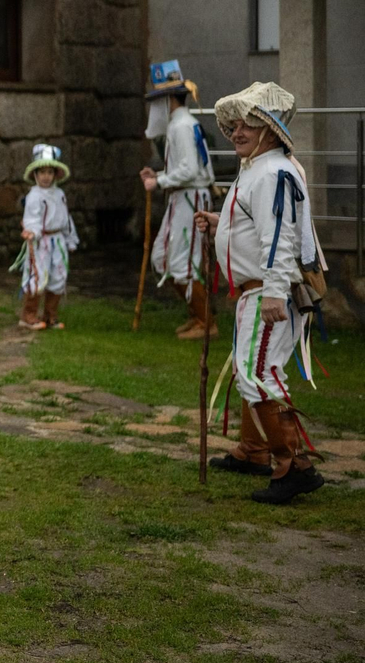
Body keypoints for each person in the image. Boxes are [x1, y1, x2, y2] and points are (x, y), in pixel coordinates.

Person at [194, 82, 326, 504]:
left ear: (270, 127)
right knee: (251, 369)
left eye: (248, 122)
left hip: (268, 294)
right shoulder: (259, 169)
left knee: (259, 373)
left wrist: (272, 292)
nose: (236, 131)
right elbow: (257, 228)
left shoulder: (272, 172)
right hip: (255, 291)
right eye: (233, 124)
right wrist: (220, 224)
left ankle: (294, 465)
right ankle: (255, 451)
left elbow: (279, 238)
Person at [139, 60, 215, 339]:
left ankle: (206, 321)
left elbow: (191, 171)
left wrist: (158, 181)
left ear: (169, 99)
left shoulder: (182, 126)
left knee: (184, 261)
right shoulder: (182, 125)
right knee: (163, 257)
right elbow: (185, 167)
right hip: (182, 198)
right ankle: (197, 316)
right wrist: (160, 175)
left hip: (190, 200)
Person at [15, 144, 79, 330]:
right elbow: (32, 217)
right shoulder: (34, 196)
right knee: (37, 275)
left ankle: (50, 315)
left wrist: (70, 238)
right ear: (35, 174)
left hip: (57, 241)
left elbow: (65, 218)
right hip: (40, 242)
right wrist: (32, 231)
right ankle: (29, 315)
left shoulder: (60, 194)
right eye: (42, 172)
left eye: (49, 172)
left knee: (58, 275)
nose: (45, 176)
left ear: (55, 174)